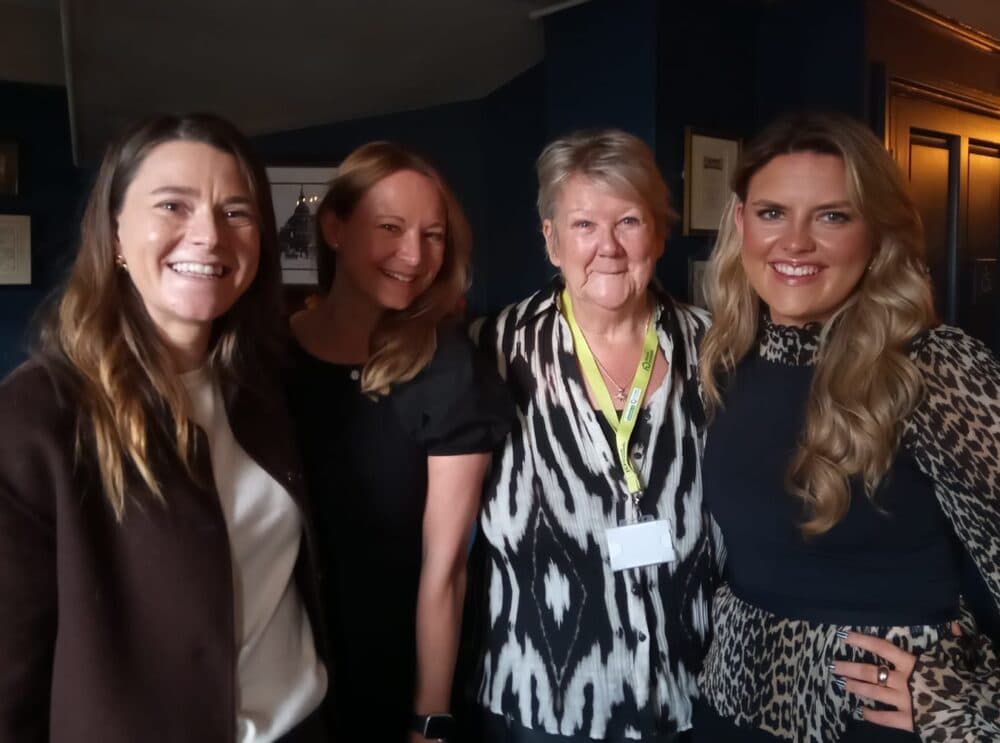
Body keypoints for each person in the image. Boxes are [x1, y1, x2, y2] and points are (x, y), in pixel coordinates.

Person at [0, 113, 328, 742]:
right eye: (173, 205)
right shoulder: (35, 420)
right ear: (116, 234)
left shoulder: (268, 387)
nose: (208, 235)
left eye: (236, 212)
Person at [695, 111, 1000, 741]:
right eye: (773, 212)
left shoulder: (935, 366)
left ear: (877, 233)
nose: (795, 242)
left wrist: (977, 704)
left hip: (878, 718)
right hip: (731, 706)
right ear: (741, 223)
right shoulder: (727, 356)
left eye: (832, 216)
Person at [463, 129, 717, 742]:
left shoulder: (715, 347)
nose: (607, 247)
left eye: (629, 221)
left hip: (695, 682)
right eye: (583, 225)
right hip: (548, 693)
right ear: (551, 239)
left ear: (658, 233)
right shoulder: (490, 351)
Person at [286, 142, 513, 743]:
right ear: (335, 227)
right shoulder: (264, 357)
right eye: (390, 227)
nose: (414, 256)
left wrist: (428, 718)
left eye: (433, 235)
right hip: (276, 665)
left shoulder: (449, 369)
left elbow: (445, 569)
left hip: (396, 663)